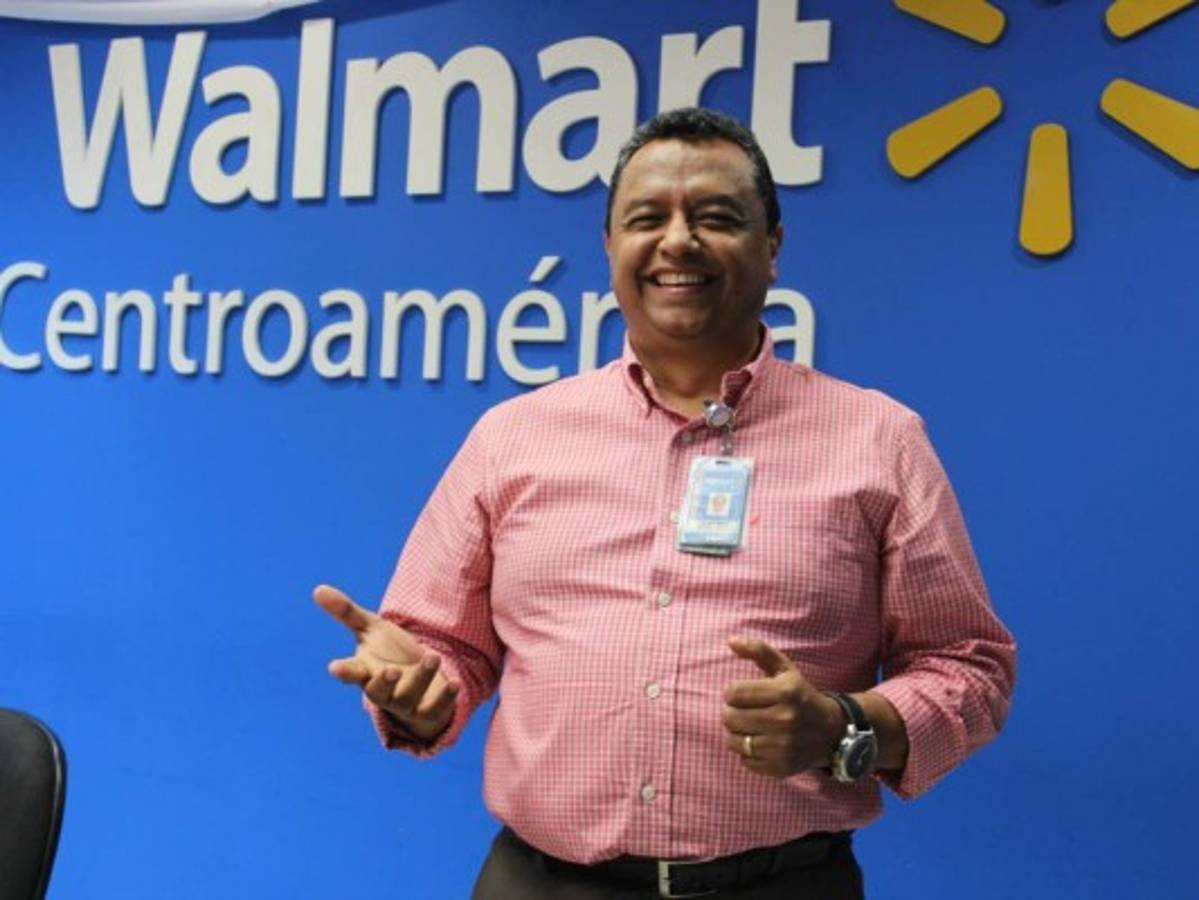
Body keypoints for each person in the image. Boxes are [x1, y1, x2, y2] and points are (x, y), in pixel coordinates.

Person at [315, 107, 1016, 899]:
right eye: (646, 219)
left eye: (715, 217)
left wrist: (843, 727)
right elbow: (443, 651)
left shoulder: (879, 440)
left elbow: (969, 667)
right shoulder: (511, 437)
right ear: (610, 247)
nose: (677, 241)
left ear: (772, 248)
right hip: (541, 883)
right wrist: (421, 690)